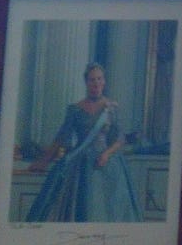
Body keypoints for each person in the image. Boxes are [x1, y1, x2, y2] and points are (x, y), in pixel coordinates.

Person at [27, 64, 145, 223]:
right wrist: (43, 161)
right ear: (86, 82)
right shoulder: (75, 109)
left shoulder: (111, 108)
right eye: (92, 80)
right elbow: (61, 138)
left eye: (99, 79)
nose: (96, 83)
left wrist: (107, 154)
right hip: (79, 164)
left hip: (107, 163)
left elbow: (120, 139)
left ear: (104, 82)